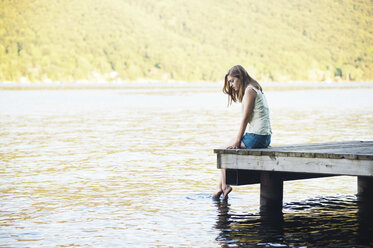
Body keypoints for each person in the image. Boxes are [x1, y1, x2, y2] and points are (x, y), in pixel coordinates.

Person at [213, 65, 272, 200]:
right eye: (229, 82)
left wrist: (238, 140)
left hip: (257, 137)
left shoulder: (250, 91)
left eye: (232, 81)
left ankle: (224, 186)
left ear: (240, 77)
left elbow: (245, 118)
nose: (231, 85)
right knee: (225, 146)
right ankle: (220, 186)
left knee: (223, 151)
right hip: (263, 137)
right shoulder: (254, 87)